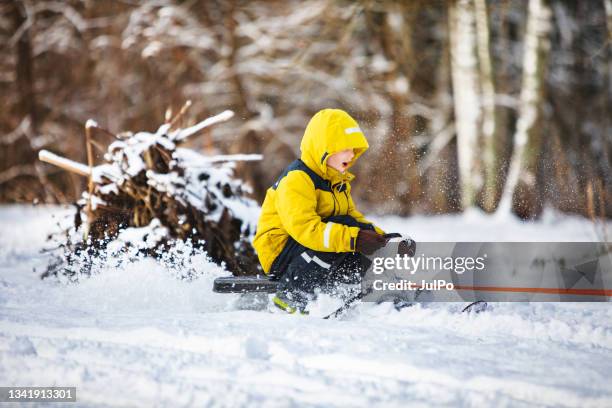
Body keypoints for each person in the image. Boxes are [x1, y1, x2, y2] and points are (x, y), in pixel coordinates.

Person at [253, 108, 390, 313]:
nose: (351, 155)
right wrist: (353, 237)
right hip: (281, 252)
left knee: (351, 230)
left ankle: (348, 286)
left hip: (307, 248)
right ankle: (291, 296)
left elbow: (353, 218)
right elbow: (306, 229)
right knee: (345, 233)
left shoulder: (336, 181)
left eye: (354, 149)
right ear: (324, 148)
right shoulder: (297, 179)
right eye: (345, 149)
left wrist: (383, 240)